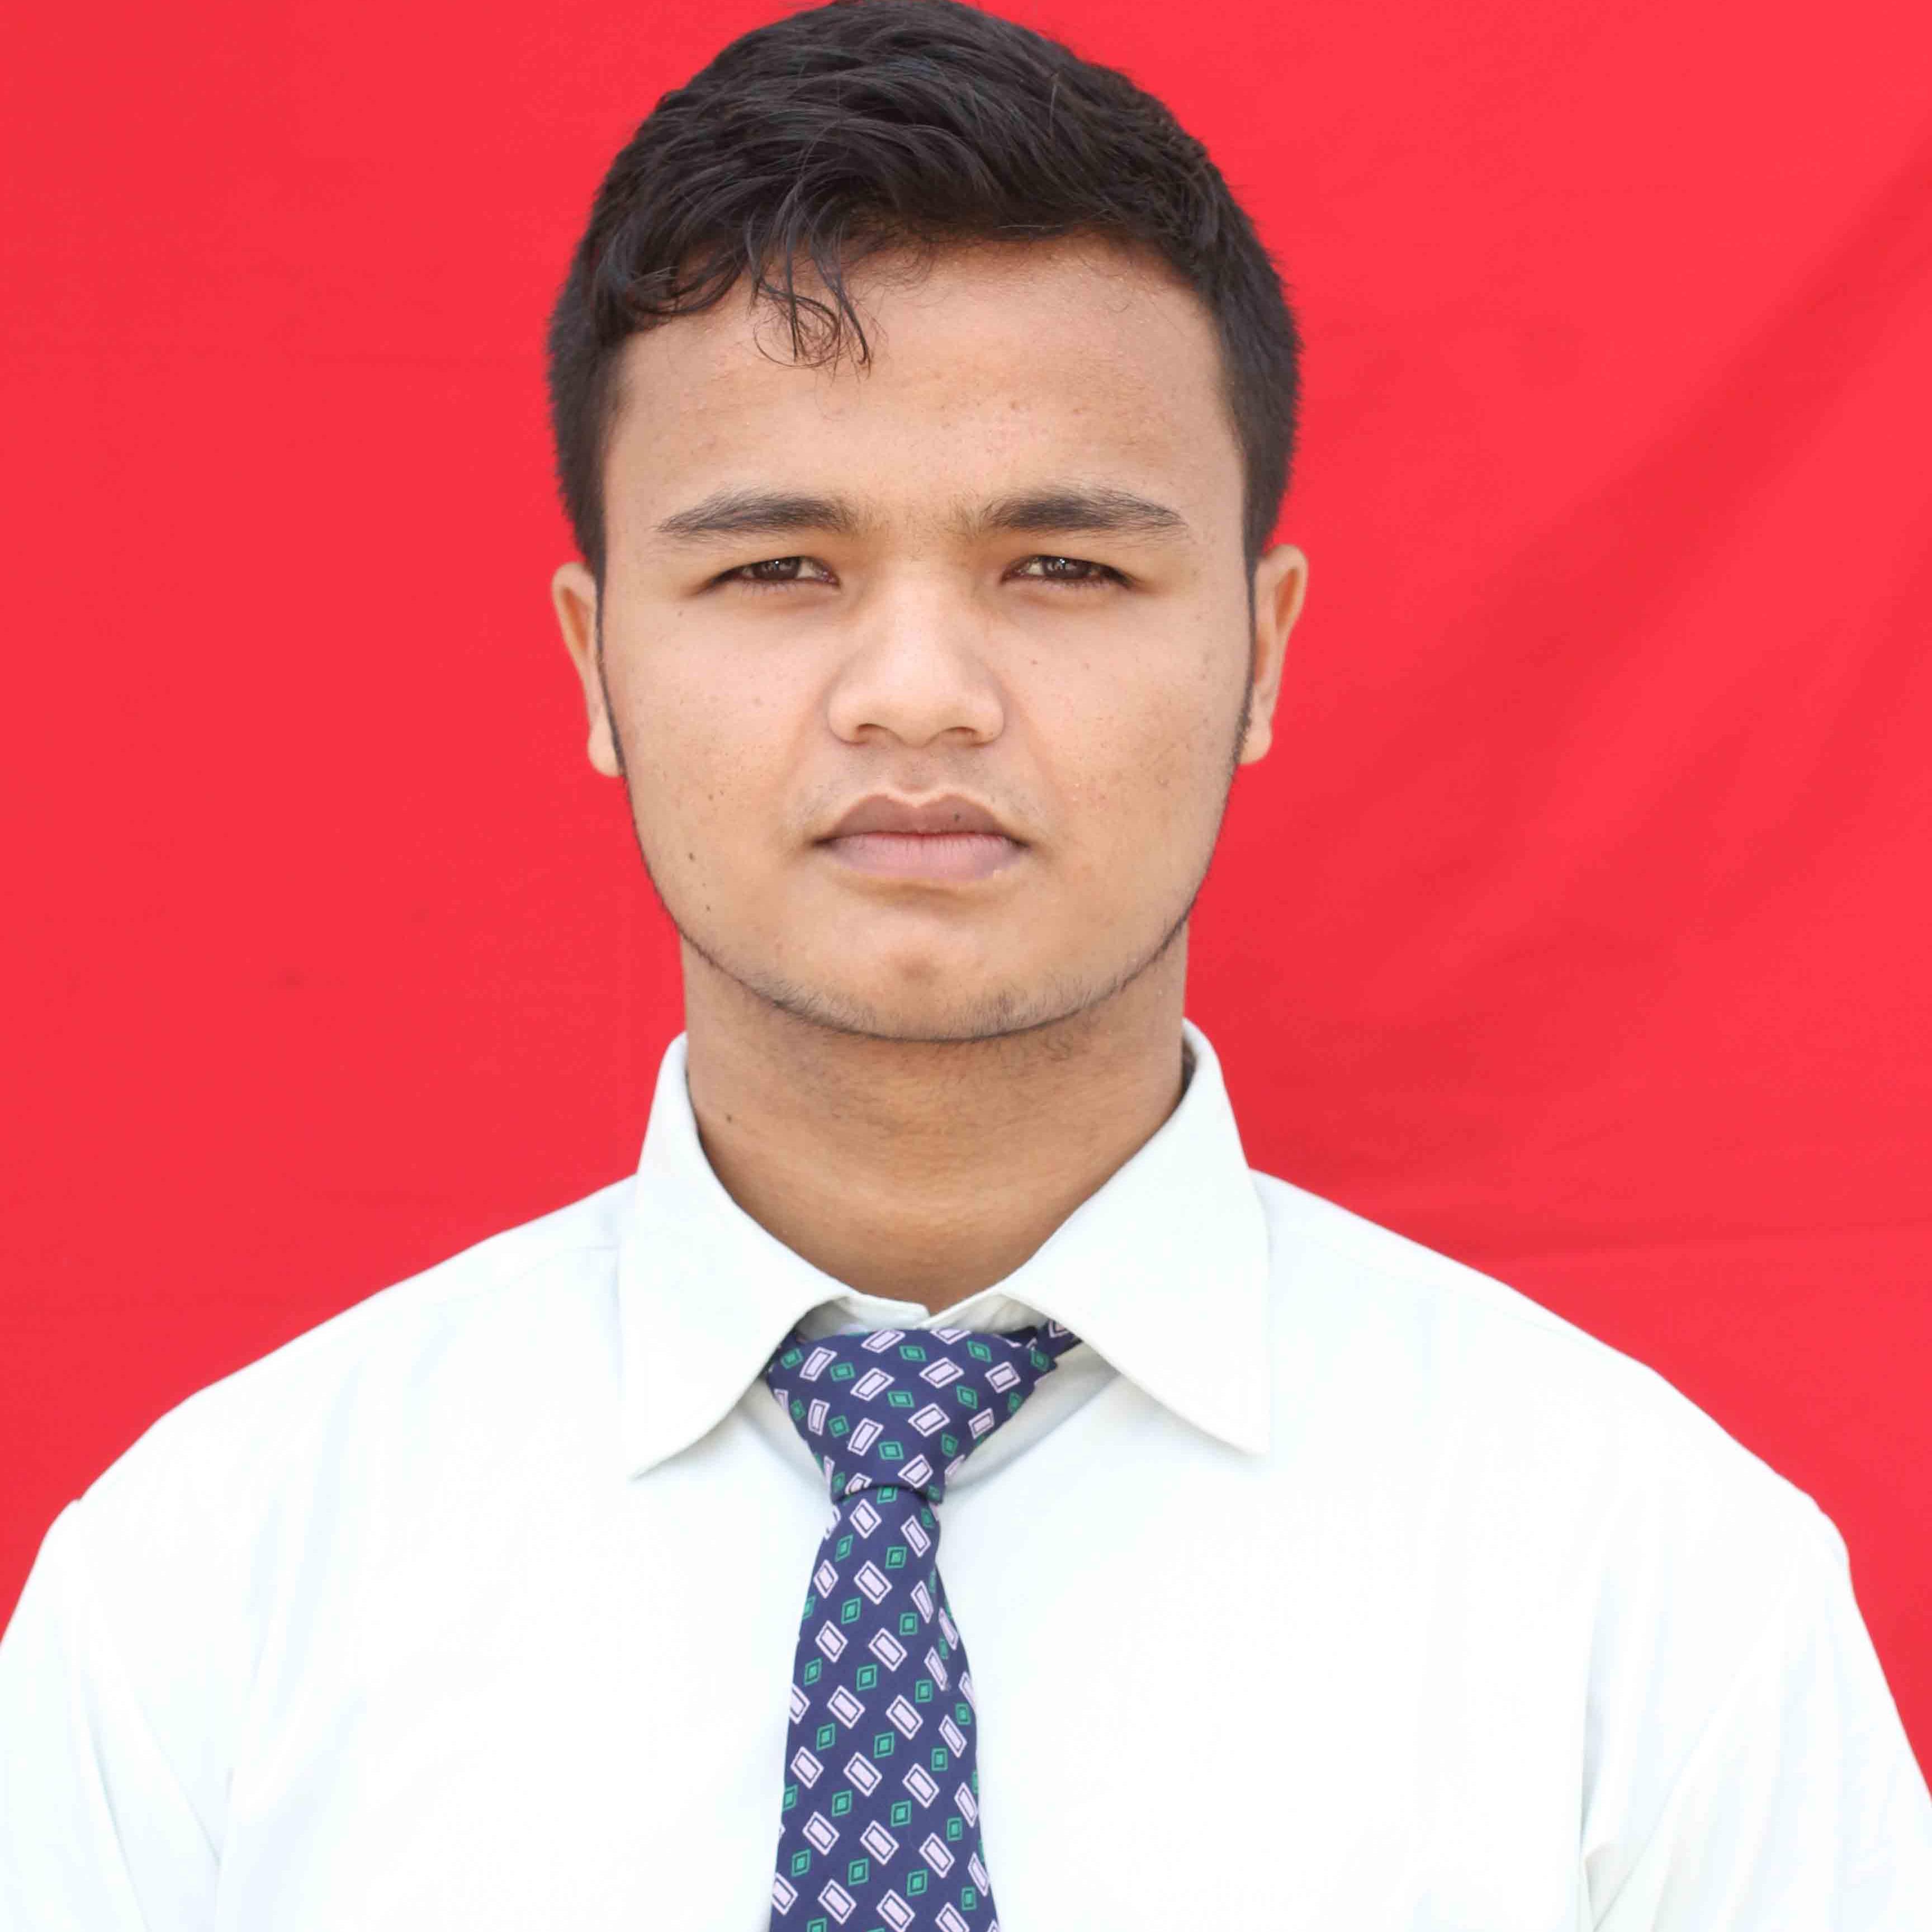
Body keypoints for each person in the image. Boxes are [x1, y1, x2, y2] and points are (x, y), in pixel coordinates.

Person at [3, 0, 1928, 1924]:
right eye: (776, 568)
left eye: (1063, 568)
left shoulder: (1656, 1604)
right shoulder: (203, 1603)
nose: (918, 694)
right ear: (595, 659)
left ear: (1261, 651)